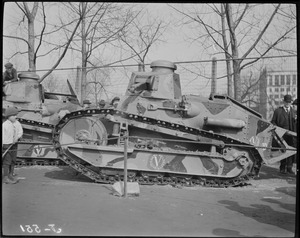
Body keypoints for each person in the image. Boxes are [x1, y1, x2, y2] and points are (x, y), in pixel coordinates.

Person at [271, 94, 296, 174]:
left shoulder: (294, 111)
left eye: (289, 102)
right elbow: (273, 122)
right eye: (286, 102)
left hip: (292, 135)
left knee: (291, 151)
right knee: (283, 151)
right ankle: (282, 168)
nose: (288, 103)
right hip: (281, 135)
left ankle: (289, 168)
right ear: (284, 102)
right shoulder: (278, 111)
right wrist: (276, 129)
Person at [2, 107, 23, 184]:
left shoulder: (17, 123)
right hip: (6, 145)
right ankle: (5, 177)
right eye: (14, 115)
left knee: (13, 160)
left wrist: (17, 138)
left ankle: (11, 175)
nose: (16, 117)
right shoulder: (4, 125)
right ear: (8, 116)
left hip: (14, 145)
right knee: (7, 162)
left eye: (16, 115)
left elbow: (20, 132)